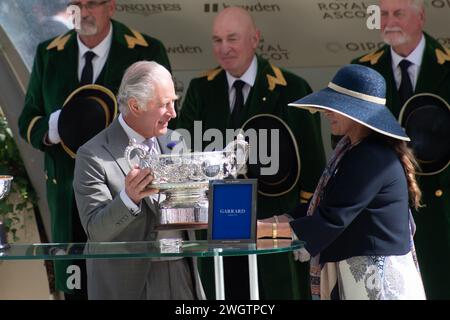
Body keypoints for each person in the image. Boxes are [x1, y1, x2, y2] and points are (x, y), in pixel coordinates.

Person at [17, 0, 171, 299]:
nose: (84, 12)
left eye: (93, 3)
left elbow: (162, 118)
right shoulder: (49, 54)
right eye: (76, 4)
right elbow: (28, 120)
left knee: (126, 285)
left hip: (126, 191)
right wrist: (58, 125)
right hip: (68, 195)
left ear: (111, 6)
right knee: (76, 287)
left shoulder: (144, 50)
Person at [175, 7, 325, 299]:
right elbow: (186, 157)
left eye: (232, 38)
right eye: (217, 40)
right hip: (219, 227)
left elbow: (313, 166)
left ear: (255, 39)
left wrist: (308, 228)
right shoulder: (200, 90)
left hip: (275, 229)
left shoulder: (292, 88)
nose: (224, 48)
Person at [258, 64, 426, 300]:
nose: (327, 112)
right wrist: (266, 224)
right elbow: (323, 206)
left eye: (334, 106)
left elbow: (331, 218)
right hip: (364, 279)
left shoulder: (370, 157)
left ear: (356, 112)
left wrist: (257, 231)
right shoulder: (356, 151)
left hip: (378, 287)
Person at [73, 61, 205, 300]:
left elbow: (190, 209)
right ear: (135, 105)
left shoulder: (176, 142)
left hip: (181, 272)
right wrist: (128, 199)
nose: (173, 113)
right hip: (128, 284)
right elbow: (95, 230)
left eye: (173, 101)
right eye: (165, 104)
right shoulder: (92, 155)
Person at [352, 0, 450, 299]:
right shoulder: (363, 71)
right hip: (386, 210)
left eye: (398, 13)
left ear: (420, 17)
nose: (388, 21)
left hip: (443, 209)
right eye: (382, 14)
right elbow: (350, 143)